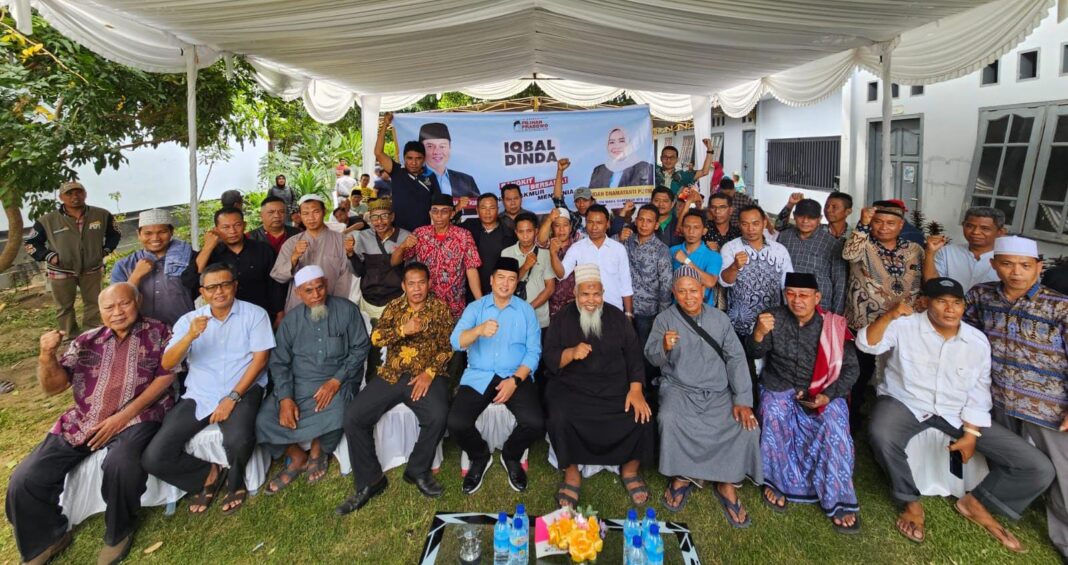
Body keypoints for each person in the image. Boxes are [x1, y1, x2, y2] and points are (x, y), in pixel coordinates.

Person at [863, 278, 1054, 552]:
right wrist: (890, 314)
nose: (949, 309)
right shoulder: (904, 326)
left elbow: (979, 390)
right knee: (882, 433)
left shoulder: (976, 341)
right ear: (927, 303)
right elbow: (866, 345)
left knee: (1037, 466)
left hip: (956, 413)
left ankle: (976, 502)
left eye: (956, 303)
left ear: (964, 306)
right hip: (907, 404)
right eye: (941, 301)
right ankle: (910, 501)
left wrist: (972, 433)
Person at [6, 284, 175, 565]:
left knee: (121, 464)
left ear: (138, 301)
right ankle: (47, 538)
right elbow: (54, 386)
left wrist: (120, 418)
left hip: (137, 416)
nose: (118, 312)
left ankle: (119, 530)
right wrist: (46, 356)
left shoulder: (159, 332)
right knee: (25, 478)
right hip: (83, 420)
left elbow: (166, 377)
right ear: (100, 311)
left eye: (124, 304)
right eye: (109, 308)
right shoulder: (86, 340)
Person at [963, 236, 1068, 558]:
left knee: (1065, 478)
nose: (1016, 273)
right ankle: (985, 502)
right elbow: (966, 340)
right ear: (994, 265)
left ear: (1039, 267)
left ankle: (1064, 541)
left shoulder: (1059, 306)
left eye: (1025, 266)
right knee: (1010, 461)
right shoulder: (981, 296)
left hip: (1049, 407)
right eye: (1007, 264)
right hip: (997, 399)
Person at [142, 263, 274, 515]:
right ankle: (208, 476)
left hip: (243, 389)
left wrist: (233, 398)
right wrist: (189, 336)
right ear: (203, 291)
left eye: (225, 284)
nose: (219, 292)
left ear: (235, 285)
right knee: (154, 456)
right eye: (212, 287)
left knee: (239, 438)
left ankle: (235, 482)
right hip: (200, 394)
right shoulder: (189, 321)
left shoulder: (254, 314)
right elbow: (168, 363)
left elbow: (260, 360)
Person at [747, 272, 861, 533]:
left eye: (804, 295)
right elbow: (753, 353)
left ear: (817, 297)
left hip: (823, 389)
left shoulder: (832, 326)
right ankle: (777, 483)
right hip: (780, 386)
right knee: (774, 413)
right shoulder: (772, 318)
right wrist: (758, 334)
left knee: (834, 424)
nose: (797, 300)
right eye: (791, 294)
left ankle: (838, 496)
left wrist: (827, 395)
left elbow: (851, 369)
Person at [646, 267, 761, 523]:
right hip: (679, 388)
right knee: (670, 418)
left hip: (718, 392)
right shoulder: (664, 319)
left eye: (694, 291)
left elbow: (736, 359)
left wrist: (742, 400)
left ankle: (727, 481)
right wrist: (663, 346)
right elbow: (651, 357)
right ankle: (681, 474)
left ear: (703, 291)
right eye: (682, 292)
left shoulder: (720, 320)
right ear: (674, 293)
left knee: (744, 425)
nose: (689, 297)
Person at [337, 263, 454, 513]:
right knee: (354, 416)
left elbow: (447, 348)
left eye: (421, 282)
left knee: (438, 415)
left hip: (426, 374)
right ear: (403, 286)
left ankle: (417, 470)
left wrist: (429, 373)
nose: (417, 288)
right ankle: (371, 480)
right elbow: (376, 338)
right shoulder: (394, 307)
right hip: (392, 374)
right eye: (411, 284)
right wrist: (404, 329)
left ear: (429, 283)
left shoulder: (440, 308)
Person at [544, 264, 655, 508]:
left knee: (642, 413)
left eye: (596, 294)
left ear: (603, 293)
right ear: (575, 294)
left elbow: (635, 356)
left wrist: (635, 390)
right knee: (559, 414)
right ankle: (572, 472)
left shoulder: (617, 317)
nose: (591, 300)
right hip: (573, 387)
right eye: (585, 294)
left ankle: (630, 469)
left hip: (615, 387)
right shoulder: (562, 318)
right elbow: (550, 357)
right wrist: (571, 352)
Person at [256, 266, 369, 493]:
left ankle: (319, 449)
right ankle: (296, 456)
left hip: (339, 379)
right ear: (299, 293)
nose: (316, 295)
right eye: (309, 291)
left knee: (341, 410)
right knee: (262, 421)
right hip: (300, 382)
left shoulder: (346, 310)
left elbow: (360, 347)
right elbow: (279, 363)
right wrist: (286, 398)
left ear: (326, 285)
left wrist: (336, 381)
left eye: (320, 288)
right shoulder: (291, 322)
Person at [447, 258, 543, 495]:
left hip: (514, 375)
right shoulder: (476, 308)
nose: (505, 283)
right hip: (480, 375)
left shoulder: (526, 310)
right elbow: (456, 342)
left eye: (511, 279)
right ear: (491, 280)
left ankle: (511, 455)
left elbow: (534, 352)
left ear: (516, 283)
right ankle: (479, 456)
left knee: (536, 423)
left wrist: (516, 381)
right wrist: (478, 330)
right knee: (456, 423)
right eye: (500, 277)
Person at [842, 203, 924, 428]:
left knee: (900, 371)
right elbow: (848, 254)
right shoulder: (863, 244)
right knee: (859, 373)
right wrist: (864, 225)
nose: (883, 227)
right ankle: (851, 417)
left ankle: (895, 420)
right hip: (864, 322)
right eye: (878, 222)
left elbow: (923, 279)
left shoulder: (914, 249)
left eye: (890, 223)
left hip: (903, 324)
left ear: (901, 225)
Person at [25, 181, 121, 337]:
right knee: (64, 306)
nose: (74, 196)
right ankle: (69, 335)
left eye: (78, 192)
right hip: (61, 270)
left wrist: (105, 250)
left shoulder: (101, 215)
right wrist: (49, 256)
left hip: (92, 268)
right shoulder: (47, 220)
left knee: (94, 303)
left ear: (85, 194)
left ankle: (92, 333)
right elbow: (31, 243)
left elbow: (115, 234)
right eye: (69, 194)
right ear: (61, 197)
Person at [393, 193, 482, 320]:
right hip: (425, 307)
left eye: (444, 212)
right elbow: (395, 262)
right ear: (430, 213)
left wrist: (480, 303)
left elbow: (471, 269)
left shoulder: (464, 236)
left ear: (452, 214)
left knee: (454, 339)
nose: (439, 216)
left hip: (454, 308)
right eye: (435, 211)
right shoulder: (420, 233)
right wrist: (402, 246)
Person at [110, 208, 197, 326]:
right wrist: (136, 275)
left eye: (162, 232)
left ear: (172, 232)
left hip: (183, 329)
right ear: (138, 234)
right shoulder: (124, 265)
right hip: (141, 333)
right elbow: (116, 302)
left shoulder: (187, 258)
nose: (155, 238)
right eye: (148, 233)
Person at [199, 207, 285, 325]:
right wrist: (208, 247)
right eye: (225, 227)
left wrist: (280, 313)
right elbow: (191, 279)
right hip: (224, 319)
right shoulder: (211, 254)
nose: (232, 231)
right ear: (216, 229)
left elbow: (276, 283)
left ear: (244, 225)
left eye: (237, 225)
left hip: (262, 315)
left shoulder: (263, 249)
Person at [719, 205, 794, 339]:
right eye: (745, 224)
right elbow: (725, 282)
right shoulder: (730, 247)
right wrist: (734, 266)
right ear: (739, 225)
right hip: (739, 323)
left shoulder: (779, 250)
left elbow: (787, 285)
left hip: (772, 322)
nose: (751, 229)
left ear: (764, 223)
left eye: (755, 223)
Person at [270, 194, 355, 312]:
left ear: (324, 211)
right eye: (305, 213)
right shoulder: (292, 243)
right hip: (298, 307)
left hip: (331, 306)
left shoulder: (340, 241)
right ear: (300, 216)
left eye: (316, 212)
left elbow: (345, 277)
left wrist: (337, 306)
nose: (311, 217)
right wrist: (294, 258)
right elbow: (278, 276)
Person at [553, 204, 634, 316]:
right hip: (587, 311)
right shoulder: (577, 247)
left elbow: (626, 285)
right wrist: (553, 254)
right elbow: (561, 274)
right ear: (585, 223)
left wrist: (629, 314)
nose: (594, 227)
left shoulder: (618, 249)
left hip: (614, 310)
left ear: (608, 224)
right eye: (590, 222)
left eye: (599, 223)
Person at [774, 196, 848, 314]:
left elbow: (840, 282)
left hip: (819, 308)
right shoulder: (784, 237)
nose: (805, 221)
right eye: (801, 216)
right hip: (787, 304)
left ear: (820, 219)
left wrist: (836, 315)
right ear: (794, 215)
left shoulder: (832, 244)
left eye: (811, 218)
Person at [618, 204, 673, 354]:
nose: (643, 224)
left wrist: (662, 316)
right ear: (635, 221)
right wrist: (618, 238)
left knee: (645, 353)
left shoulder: (661, 250)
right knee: (623, 350)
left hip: (648, 313)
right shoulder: (626, 241)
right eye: (640, 219)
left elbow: (666, 285)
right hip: (623, 307)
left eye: (649, 221)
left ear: (656, 225)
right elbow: (605, 249)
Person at [375, 112, 441, 232]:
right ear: (404, 158)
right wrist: (385, 124)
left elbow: (437, 205)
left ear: (424, 159)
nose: (413, 162)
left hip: (423, 233)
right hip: (397, 233)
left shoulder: (430, 177)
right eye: (409, 158)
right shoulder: (396, 170)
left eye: (418, 158)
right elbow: (378, 153)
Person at [347, 197, 409, 323]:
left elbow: (411, 271)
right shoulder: (362, 237)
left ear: (392, 217)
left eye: (384, 216)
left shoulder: (406, 237)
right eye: (374, 217)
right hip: (369, 300)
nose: (379, 221)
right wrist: (350, 254)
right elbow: (358, 272)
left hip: (397, 298)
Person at [923, 206, 1005, 290]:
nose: (975, 232)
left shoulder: (1007, 258)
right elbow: (932, 283)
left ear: (1000, 232)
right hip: (949, 303)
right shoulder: (948, 252)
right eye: (970, 226)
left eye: (985, 228)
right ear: (963, 225)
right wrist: (930, 253)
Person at [458, 193, 517, 302]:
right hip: (471, 292)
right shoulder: (467, 228)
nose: (487, 212)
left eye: (492, 208)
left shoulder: (509, 234)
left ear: (498, 210)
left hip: (500, 291)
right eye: (483, 208)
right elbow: (446, 227)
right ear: (477, 210)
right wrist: (457, 209)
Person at [501, 212, 556, 330]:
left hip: (539, 317)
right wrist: (525, 266)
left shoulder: (545, 254)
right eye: (521, 232)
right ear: (516, 232)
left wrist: (529, 307)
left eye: (529, 231)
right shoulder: (506, 253)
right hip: (513, 315)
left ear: (536, 231)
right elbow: (504, 285)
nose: (525, 236)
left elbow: (550, 288)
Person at [670, 210, 722, 305]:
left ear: (704, 231)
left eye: (696, 227)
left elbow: (710, 282)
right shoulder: (672, 251)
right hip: (676, 309)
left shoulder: (713, 256)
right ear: (681, 229)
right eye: (687, 226)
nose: (691, 231)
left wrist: (686, 261)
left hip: (704, 311)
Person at [418, 122, 479, 198]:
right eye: (430, 146)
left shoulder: (467, 181)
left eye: (442, 146)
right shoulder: (414, 179)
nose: (437, 152)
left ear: (450, 148)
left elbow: (478, 207)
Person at [544, 207, 580, 320]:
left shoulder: (579, 246)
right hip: (552, 306)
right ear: (552, 228)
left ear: (570, 227)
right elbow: (539, 240)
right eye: (557, 226)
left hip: (575, 305)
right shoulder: (547, 245)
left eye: (565, 225)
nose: (561, 230)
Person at [588, 127, 654, 188]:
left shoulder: (645, 168)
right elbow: (591, 198)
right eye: (611, 142)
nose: (616, 146)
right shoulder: (599, 170)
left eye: (621, 141)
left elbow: (647, 196)